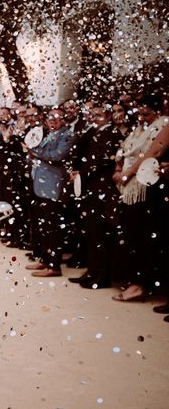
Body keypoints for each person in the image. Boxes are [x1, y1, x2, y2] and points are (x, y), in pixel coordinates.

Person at [112, 94, 169, 302]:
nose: (142, 117)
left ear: (158, 110)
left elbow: (149, 155)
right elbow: (125, 151)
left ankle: (141, 284)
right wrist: (119, 168)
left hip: (145, 188)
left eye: (146, 113)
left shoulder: (163, 124)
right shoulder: (138, 128)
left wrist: (127, 175)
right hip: (129, 189)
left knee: (142, 237)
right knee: (130, 234)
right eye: (139, 113)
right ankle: (135, 281)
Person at [68, 103, 124, 289]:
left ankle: (102, 275)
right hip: (90, 187)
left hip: (103, 189)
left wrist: (81, 175)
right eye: (92, 114)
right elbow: (81, 150)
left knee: (100, 233)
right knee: (91, 232)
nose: (93, 117)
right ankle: (92, 270)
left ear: (108, 116)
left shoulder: (113, 134)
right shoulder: (94, 132)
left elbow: (101, 161)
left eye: (98, 114)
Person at [25, 108, 73, 277]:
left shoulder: (66, 135)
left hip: (53, 185)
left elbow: (58, 155)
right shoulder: (48, 134)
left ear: (64, 119)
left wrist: (35, 152)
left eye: (57, 118)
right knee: (43, 225)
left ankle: (54, 265)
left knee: (53, 227)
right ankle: (45, 259)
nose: (53, 120)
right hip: (40, 184)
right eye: (50, 118)